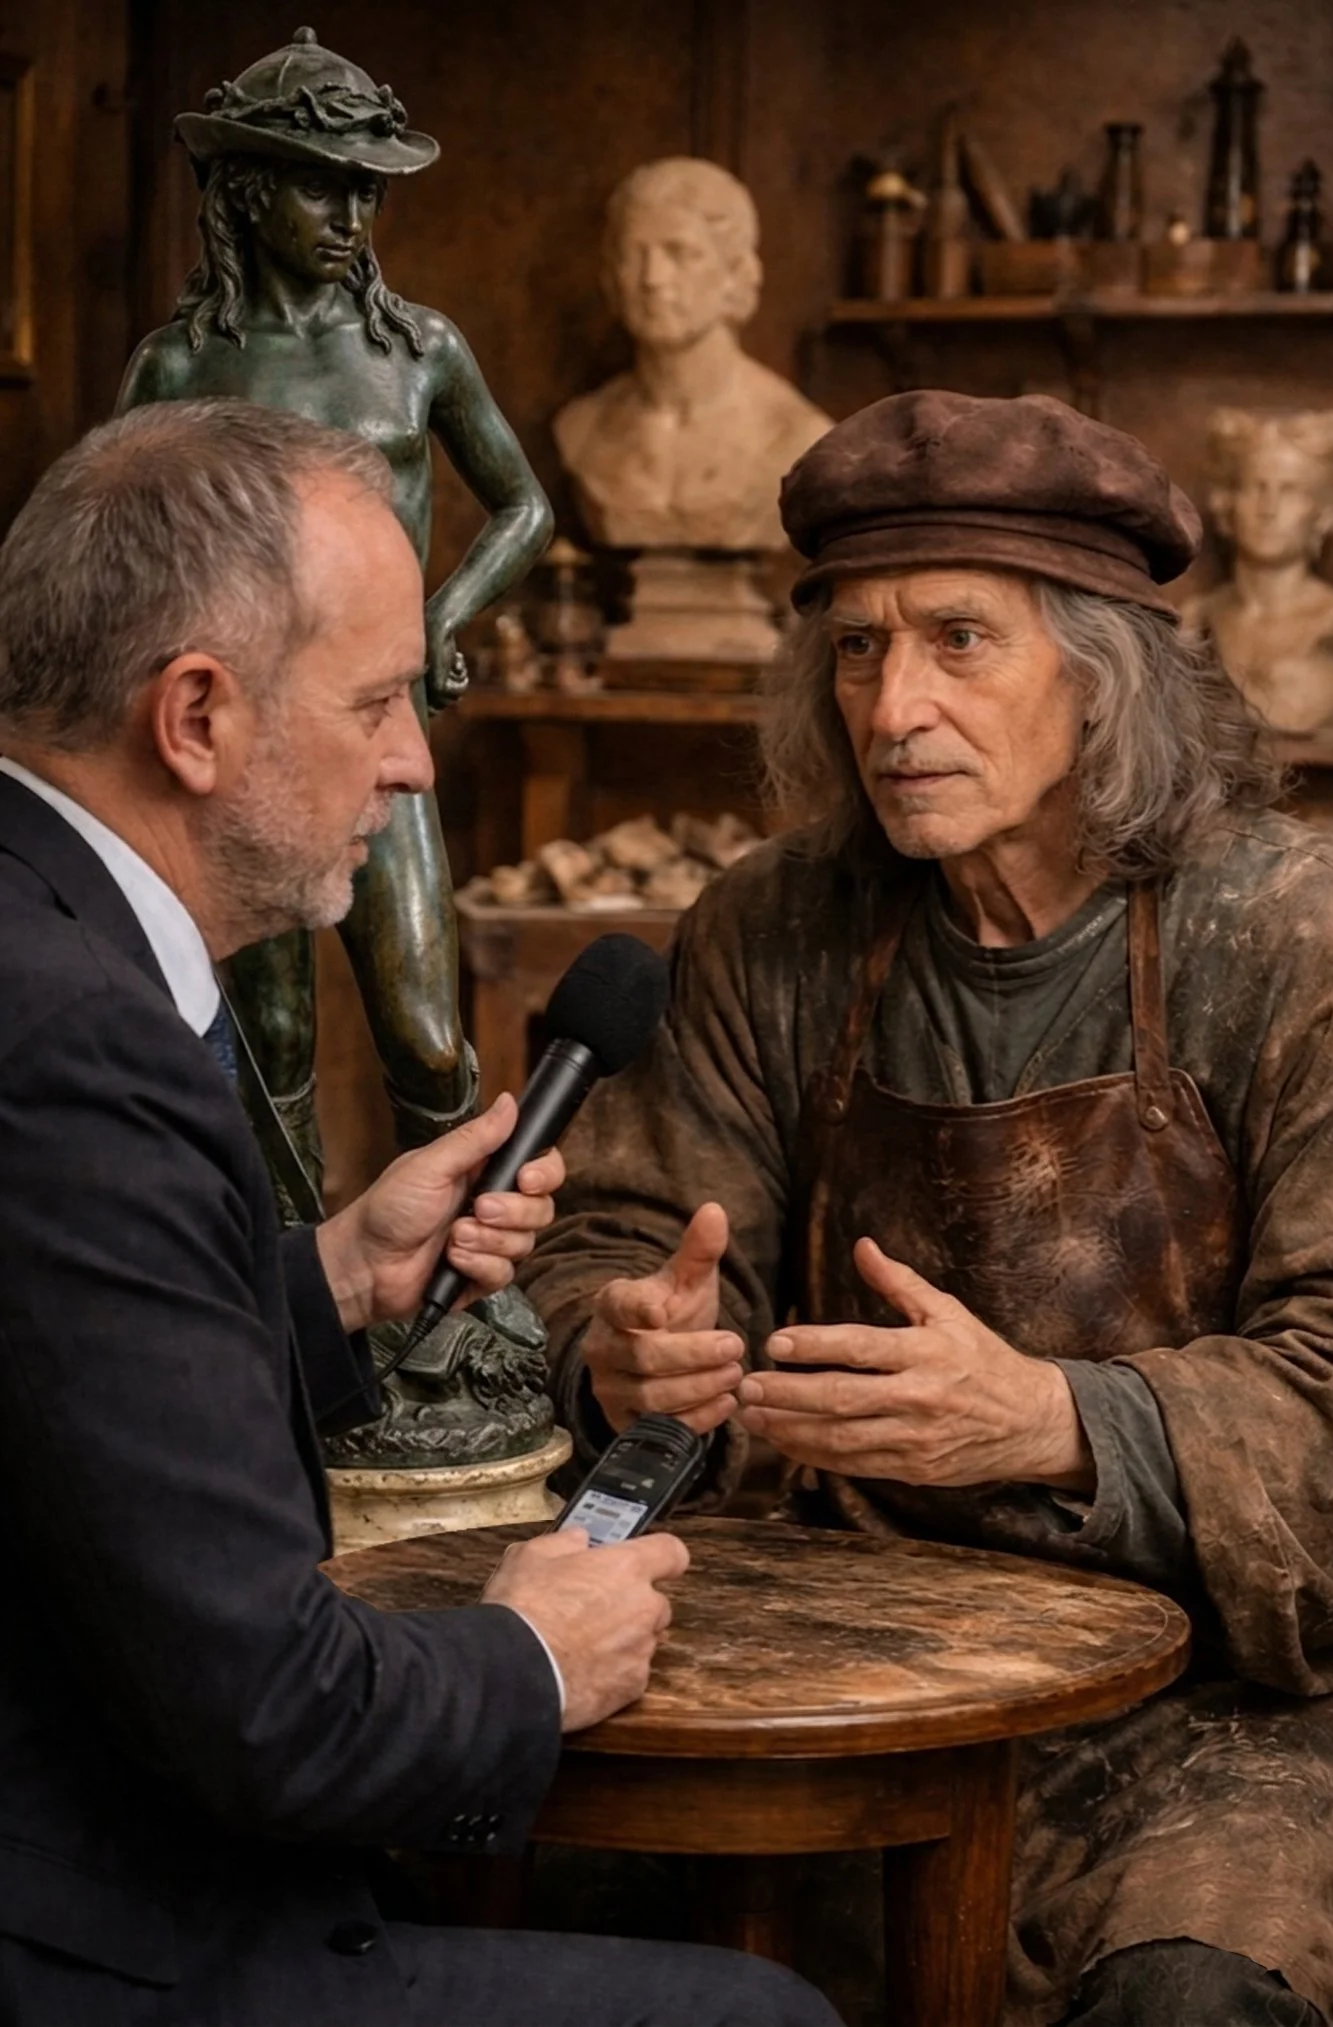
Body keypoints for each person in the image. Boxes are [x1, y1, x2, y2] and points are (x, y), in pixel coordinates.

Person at [0, 398, 839, 2027]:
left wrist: (329, 1276)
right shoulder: (75, 1039)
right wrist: (530, 1653)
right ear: (196, 717)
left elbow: (53, 1367)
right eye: (381, 697)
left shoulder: (41, 931)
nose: (411, 757)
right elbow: (269, 1712)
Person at [521, 389, 1333, 2027]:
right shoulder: (776, 927)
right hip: (851, 1654)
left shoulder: (1299, 936)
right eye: (853, 647)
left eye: (958, 639)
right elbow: (609, 1256)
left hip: (1223, 1703)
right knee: (484, 1894)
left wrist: (1053, 1417)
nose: (891, 705)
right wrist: (620, 1355)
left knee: (1184, 2001)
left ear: (1103, 678)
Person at [119, 25, 554, 1195]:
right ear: (250, 191)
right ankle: (293, 1279)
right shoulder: (177, 369)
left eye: (369, 193)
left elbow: (522, 506)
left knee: (420, 1026)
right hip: (241, 747)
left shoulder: (416, 353)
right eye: (326, 188)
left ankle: (463, 1288)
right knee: (272, 1042)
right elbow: (118, 556)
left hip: (377, 727)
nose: (354, 219)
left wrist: (447, 613)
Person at [553, 155, 831, 552]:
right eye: (634, 255)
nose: (653, 278)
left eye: (679, 253)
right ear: (612, 276)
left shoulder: (796, 436)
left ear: (734, 273)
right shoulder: (581, 429)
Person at [1181, 406, 1333, 734]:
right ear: (1228, 499)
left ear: (1324, 512)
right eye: (1255, 486)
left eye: (1290, 491)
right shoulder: (1195, 621)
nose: (1268, 508)